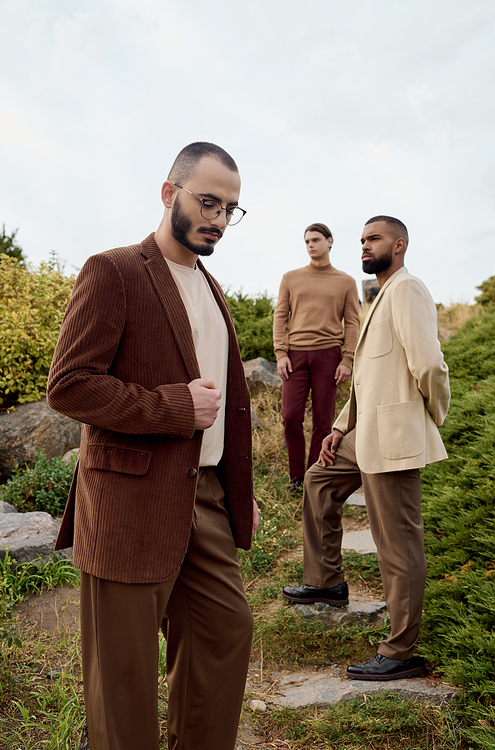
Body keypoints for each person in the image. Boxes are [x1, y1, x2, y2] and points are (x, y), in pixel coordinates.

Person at [47, 142, 259, 750]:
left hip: (205, 498)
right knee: (124, 678)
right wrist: (172, 407)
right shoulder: (113, 271)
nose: (219, 218)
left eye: (231, 209)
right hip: (127, 503)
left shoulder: (212, 290)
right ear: (171, 194)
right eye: (209, 201)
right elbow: (69, 386)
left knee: (225, 632)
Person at [282, 216, 450, 680]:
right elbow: (367, 377)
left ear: (399, 244)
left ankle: (400, 652)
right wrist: (340, 427)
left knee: (396, 544)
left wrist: (430, 417)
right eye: (360, 240)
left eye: (373, 238)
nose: (363, 246)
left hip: (393, 435)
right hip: (364, 432)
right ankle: (326, 581)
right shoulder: (378, 294)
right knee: (318, 480)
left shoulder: (408, 289)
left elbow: (429, 364)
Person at [273, 223, 359, 492]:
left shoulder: (346, 281)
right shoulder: (290, 278)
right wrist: (281, 354)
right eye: (307, 241)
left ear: (329, 241)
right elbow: (280, 316)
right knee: (290, 416)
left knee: (323, 420)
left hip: (328, 356)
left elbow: (353, 323)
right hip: (295, 355)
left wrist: (347, 360)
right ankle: (296, 476)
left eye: (316, 240)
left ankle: (314, 475)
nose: (311, 245)